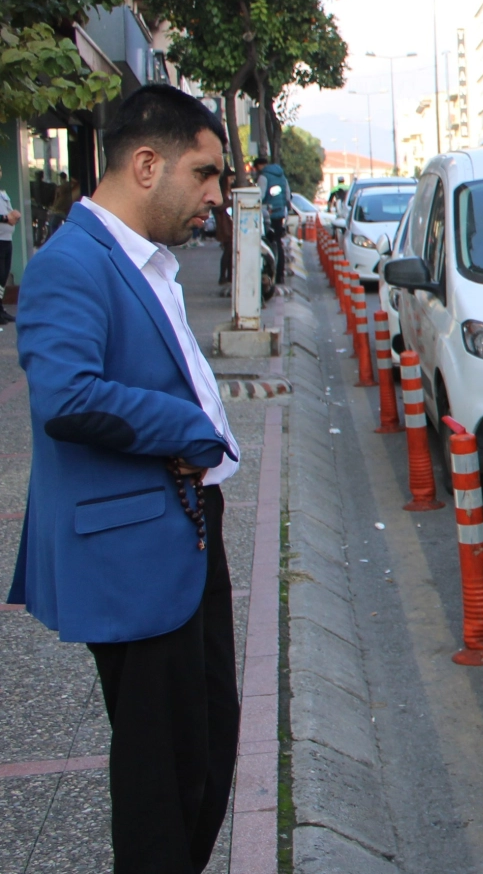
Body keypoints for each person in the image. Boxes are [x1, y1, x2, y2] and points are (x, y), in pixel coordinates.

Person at [8, 84, 241, 873]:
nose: (215, 196)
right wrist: (189, 431)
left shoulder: (149, 262)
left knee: (204, 758)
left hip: (183, 534)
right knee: (159, 785)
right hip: (132, 558)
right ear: (148, 163)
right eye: (205, 174)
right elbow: (66, 393)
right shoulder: (71, 263)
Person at [253, 154, 289, 285]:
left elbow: (260, 196)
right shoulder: (282, 176)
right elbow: (287, 196)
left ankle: (269, 275)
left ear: (259, 166)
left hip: (267, 215)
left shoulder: (263, 177)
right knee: (278, 244)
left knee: (267, 245)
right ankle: (280, 275)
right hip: (280, 214)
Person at [0, 181, 19, 325]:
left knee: (3, 276)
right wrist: (6, 218)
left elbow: (10, 213)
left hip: (7, 239)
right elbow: (5, 217)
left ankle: (0, 308)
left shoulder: (3, 194)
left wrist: (15, 216)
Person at [47, 172, 78, 238]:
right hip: (66, 209)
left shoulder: (61, 187)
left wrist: (53, 207)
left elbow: (56, 199)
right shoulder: (68, 185)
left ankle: (55, 238)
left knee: (53, 225)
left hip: (60, 209)